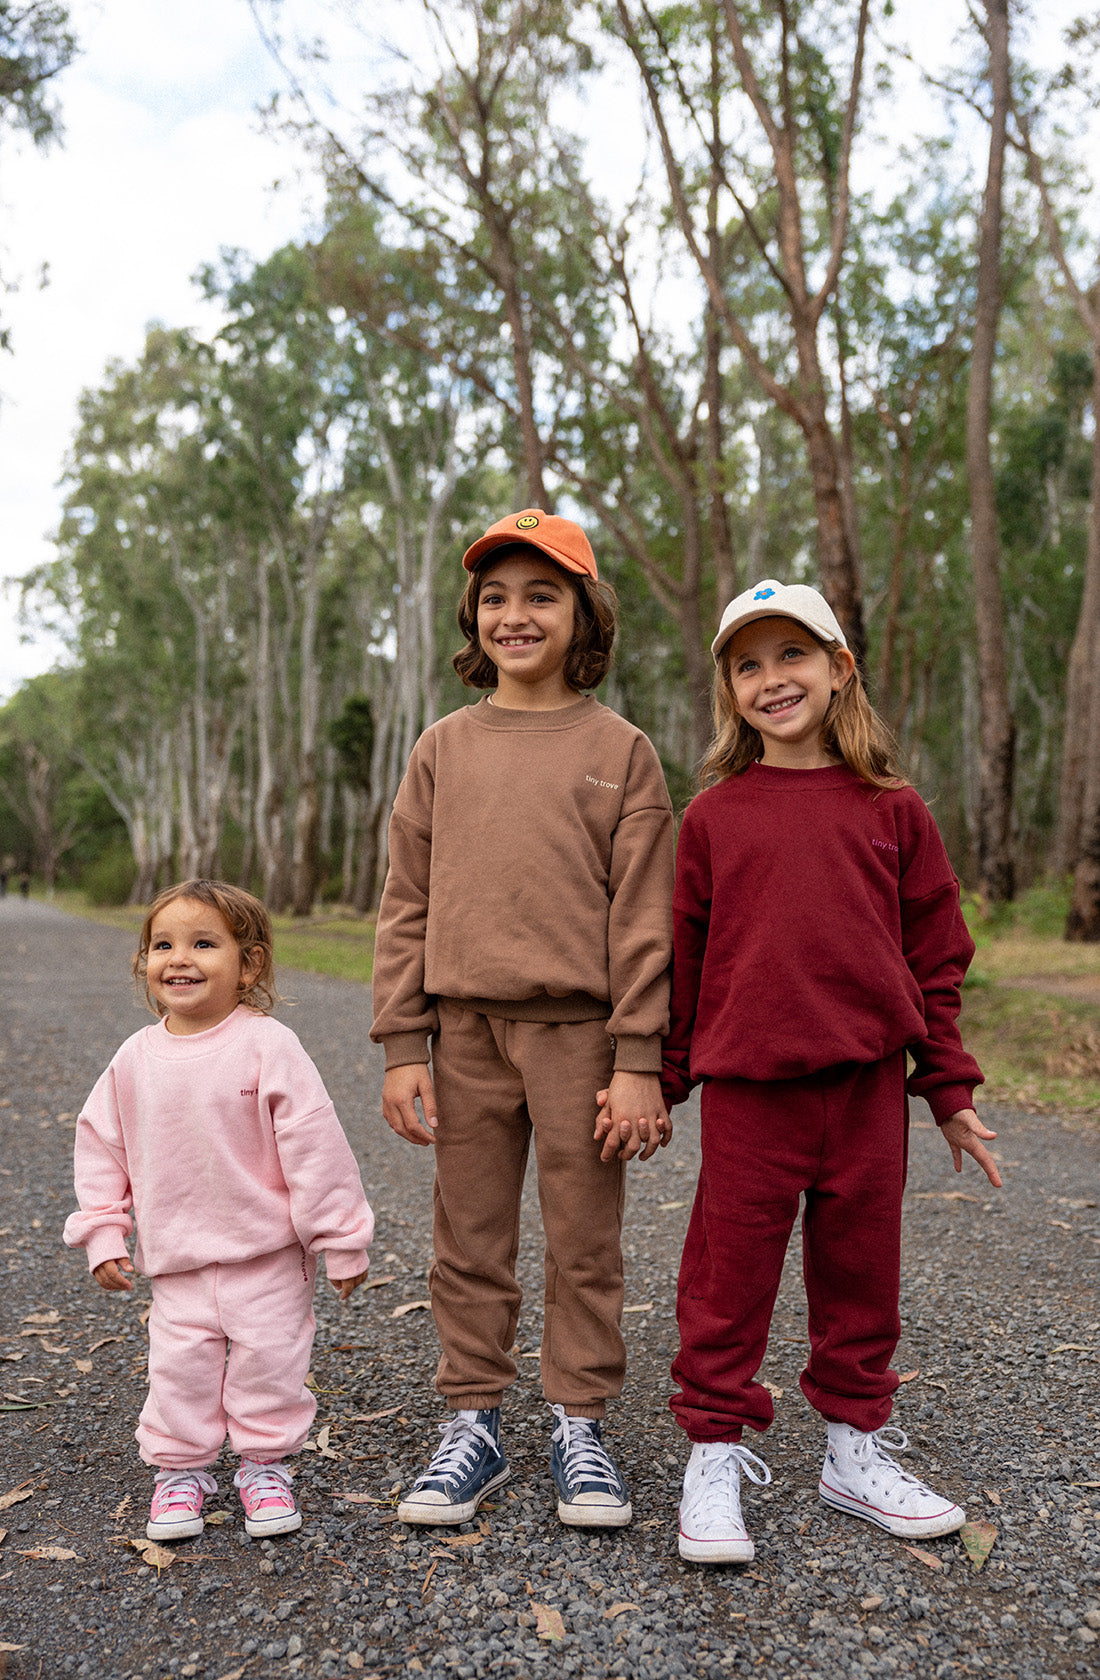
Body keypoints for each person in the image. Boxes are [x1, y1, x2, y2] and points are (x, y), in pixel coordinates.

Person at [662, 580, 1002, 1566]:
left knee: (861, 1274)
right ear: (728, 689)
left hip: (860, 1092)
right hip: (748, 1098)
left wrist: (948, 1092)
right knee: (725, 1280)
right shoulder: (714, 819)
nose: (772, 679)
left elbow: (933, 960)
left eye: (791, 656)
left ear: (838, 667)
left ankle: (852, 1451)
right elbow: (686, 963)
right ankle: (714, 1452)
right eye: (747, 664)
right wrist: (656, 1078)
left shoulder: (892, 812)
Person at [371, 508, 674, 1530]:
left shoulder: (620, 751)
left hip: (579, 1036)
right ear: (472, 618)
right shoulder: (441, 748)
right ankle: (473, 1421)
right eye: (494, 597)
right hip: (461, 1035)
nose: (515, 614)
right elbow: (403, 902)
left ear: (582, 613)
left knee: (584, 1237)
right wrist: (402, 1043)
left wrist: (639, 1058)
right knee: (467, 1237)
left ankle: (578, 1420)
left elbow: (642, 918)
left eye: (541, 593)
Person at [64, 879, 374, 1543]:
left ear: (249, 964)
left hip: (265, 1255)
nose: (180, 958)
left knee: (270, 1365)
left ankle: (264, 1465)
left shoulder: (268, 1045)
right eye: (163, 945)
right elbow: (101, 1149)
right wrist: (103, 1231)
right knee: (180, 1370)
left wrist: (342, 1239)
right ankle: (182, 1470)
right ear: (144, 962)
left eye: (204, 943)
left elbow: (316, 1147)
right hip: (177, 1261)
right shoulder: (132, 1060)